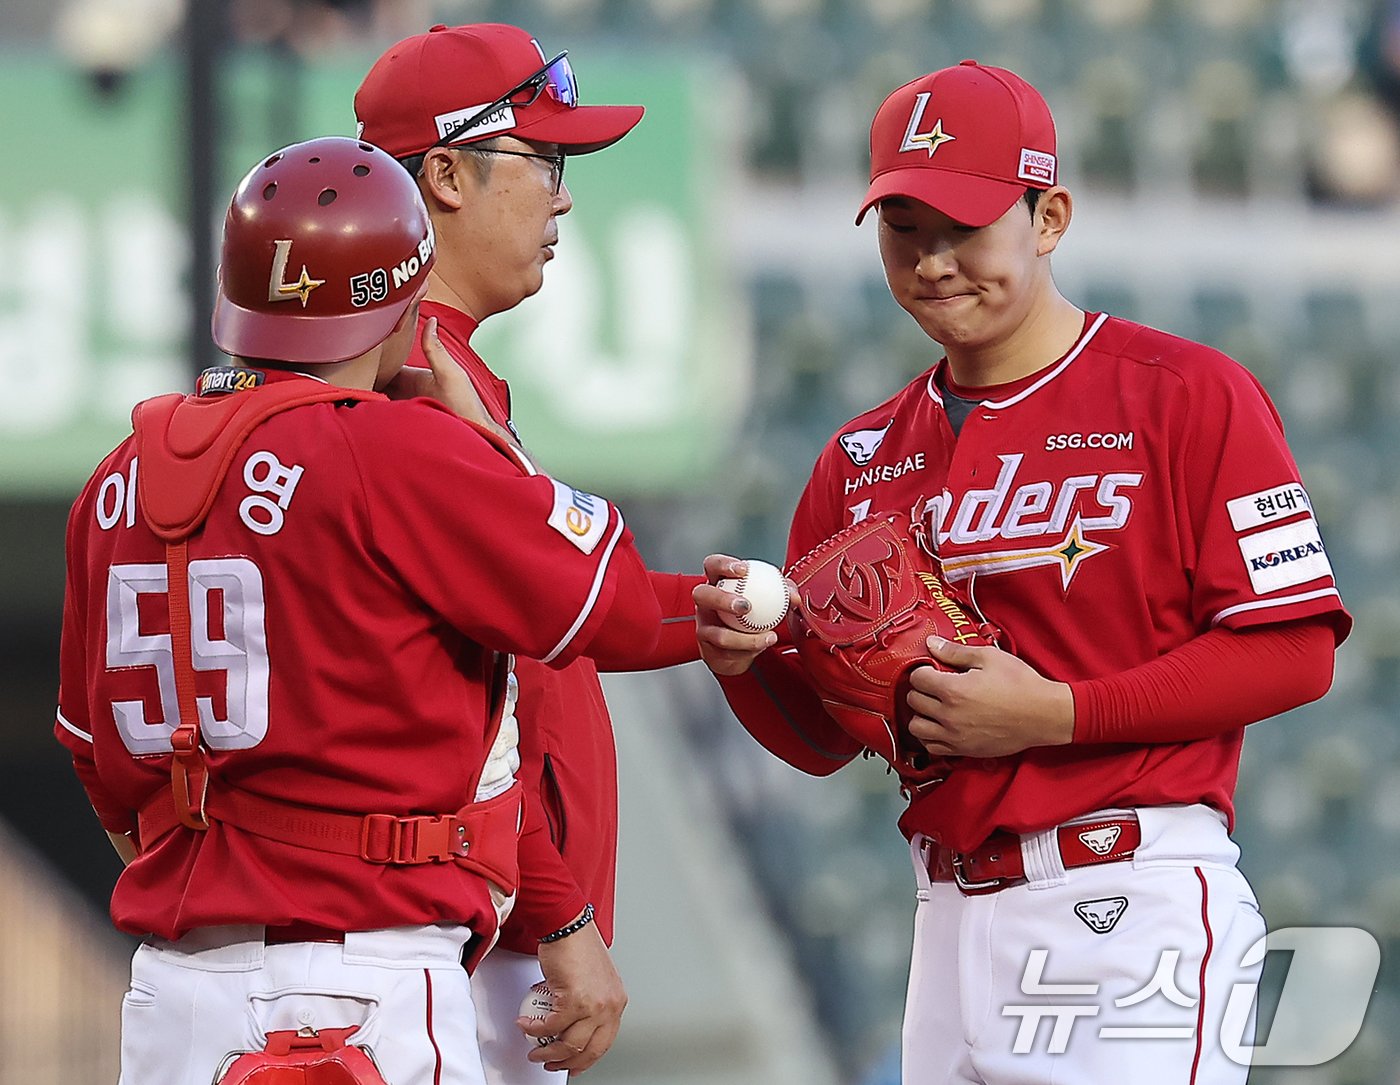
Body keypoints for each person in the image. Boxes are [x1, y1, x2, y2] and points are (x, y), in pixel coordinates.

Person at [695, 61, 1352, 1084]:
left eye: (964, 224)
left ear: (1047, 216)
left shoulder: (1184, 396)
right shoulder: (858, 458)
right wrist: (743, 662)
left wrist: (1058, 713)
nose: (932, 261)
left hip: (1123, 899)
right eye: (902, 228)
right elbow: (823, 740)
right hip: (947, 918)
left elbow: (1295, 650)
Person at [54, 135, 668, 1085]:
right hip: (357, 982)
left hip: (174, 993)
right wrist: (488, 443)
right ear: (398, 302)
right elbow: (619, 608)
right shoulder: (389, 451)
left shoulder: (114, 481)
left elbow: (96, 760)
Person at [353, 23, 705, 1082]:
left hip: (471, 926)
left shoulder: (440, 366)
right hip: (460, 933)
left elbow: (565, 614)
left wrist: (732, 609)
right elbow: (470, 714)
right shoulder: (410, 384)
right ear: (447, 173)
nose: (560, 197)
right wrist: (560, 916)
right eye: (543, 162)